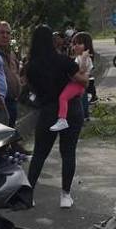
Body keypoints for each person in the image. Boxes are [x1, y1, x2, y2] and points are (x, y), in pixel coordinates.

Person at [26, 24, 88, 208]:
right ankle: (65, 196)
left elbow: (31, 89)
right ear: (52, 41)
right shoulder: (63, 61)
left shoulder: (31, 66)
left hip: (47, 111)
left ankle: (28, 194)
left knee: (39, 154)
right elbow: (82, 81)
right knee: (68, 153)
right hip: (71, 109)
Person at [50, 32, 94, 132]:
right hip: (77, 84)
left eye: (79, 43)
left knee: (63, 97)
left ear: (86, 45)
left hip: (77, 85)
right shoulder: (78, 57)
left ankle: (62, 119)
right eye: (74, 44)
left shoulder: (85, 57)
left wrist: (83, 58)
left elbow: (82, 70)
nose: (76, 46)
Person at [0, 21, 21, 127]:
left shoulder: (11, 54)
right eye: (2, 33)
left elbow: (17, 72)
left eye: (8, 33)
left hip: (13, 101)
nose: (5, 36)